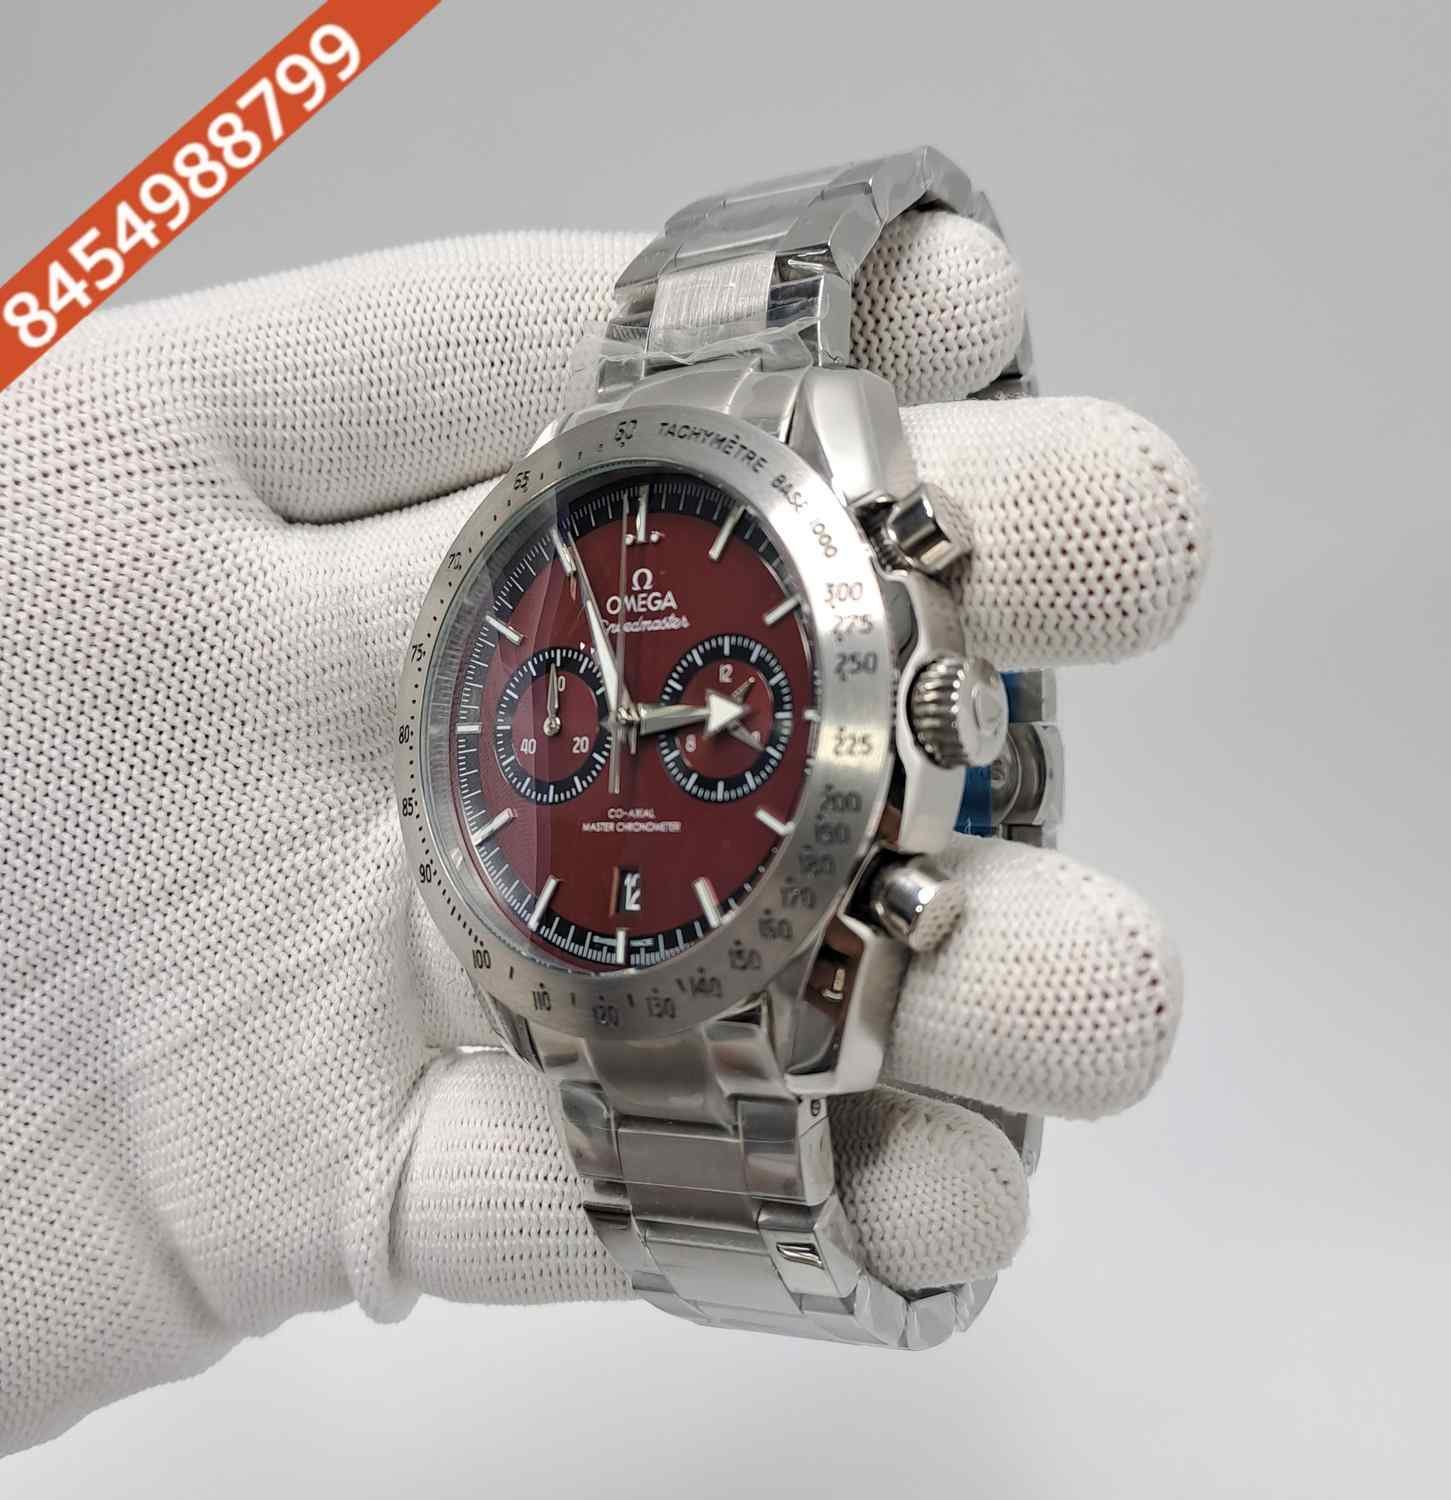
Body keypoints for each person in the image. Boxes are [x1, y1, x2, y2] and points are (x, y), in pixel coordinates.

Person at [0, 209, 1209, 1452]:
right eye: (616, 711)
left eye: (678, 713)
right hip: (577, 929)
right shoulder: (508, 653)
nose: (625, 723)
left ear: (941, 709)